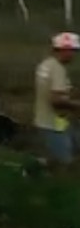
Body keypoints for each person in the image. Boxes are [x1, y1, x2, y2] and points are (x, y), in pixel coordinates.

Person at [34, 32, 80, 166]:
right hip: (53, 124)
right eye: (73, 51)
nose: (74, 55)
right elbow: (56, 101)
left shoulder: (46, 65)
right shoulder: (58, 69)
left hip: (51, 120)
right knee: (64, 162)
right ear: (64, 49)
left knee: (72, 145)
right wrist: (77, 105)